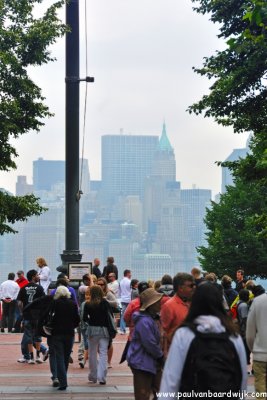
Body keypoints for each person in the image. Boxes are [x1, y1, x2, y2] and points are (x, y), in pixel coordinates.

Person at [160, 282, 247, 398]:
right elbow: (241, 379)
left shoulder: (184, 334)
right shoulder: (233, 336)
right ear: (220, 303)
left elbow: (171, 379)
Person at [127, 288, 164, 400]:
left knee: (161, 391)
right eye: (157, 302)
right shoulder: (144, 321)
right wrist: (160, 356)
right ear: (151, 305)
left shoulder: (151, 319)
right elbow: (149, 343)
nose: (159, 303)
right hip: (142, 362)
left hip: (151, 361)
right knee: (143, 394)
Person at [50, 286, 80, 390]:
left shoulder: (54, 304)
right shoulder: (73, 304)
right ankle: (64, 377)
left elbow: (50, 318)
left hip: (57, 333)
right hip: (69, 333)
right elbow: (77, 319)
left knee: (59, 357)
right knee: (66, 357)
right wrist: (72, 326)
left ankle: (62, 381)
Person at [83, 285, 113, 385]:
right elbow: (110, 316)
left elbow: (84, 318)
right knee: (103, 353)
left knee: (92, 353)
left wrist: (90, 321)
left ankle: (93, 376)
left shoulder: (88, 304)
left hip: (92, 330)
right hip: (104, 330)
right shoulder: (105, 303)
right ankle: (102, 377)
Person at [161, 273, 195, 353]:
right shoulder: (169, 306)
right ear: (180, 288)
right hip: (176, 352)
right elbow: (163, 333)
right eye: (190, 286)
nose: (194, 288)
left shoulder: (193, 303)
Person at [17, 269, 45, 364]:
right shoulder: (40, 288)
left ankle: (30, 358)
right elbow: (43, 301)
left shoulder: (23, 288)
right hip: (37, 315)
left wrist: (22, 312)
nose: (38, 277)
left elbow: (20, 303)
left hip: (27, 315)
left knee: (28, 336)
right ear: (33, 277)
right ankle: (38, 356)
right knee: (38, 336)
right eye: (37, 275)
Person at [246, 288, 267, 398]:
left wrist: (253, 349)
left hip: (261, 354)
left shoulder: (257, 301)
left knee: (261, 386)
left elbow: (250, 332)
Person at [96, 277, 119, 368]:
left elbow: (116, 304)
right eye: (98, 284)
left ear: (105, 285)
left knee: (109, 342)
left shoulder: (108, 293)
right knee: (98, 342)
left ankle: (108, 362)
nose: (100, 286)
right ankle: (103, 359)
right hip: (98, 320)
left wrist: (105, 301)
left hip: (108, 320)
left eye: (102, 284)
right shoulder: (95, 293)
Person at [119, 269, 132, 334]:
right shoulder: (129, 282)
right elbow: (131, 291)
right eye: (130, 273)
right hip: (129, 300)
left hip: (123, 299)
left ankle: (122, 329)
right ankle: (131, 328)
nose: (131, 275)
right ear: (127, 274)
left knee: (123, 314)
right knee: (131, 314)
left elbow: (120, 291)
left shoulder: (121, 282)